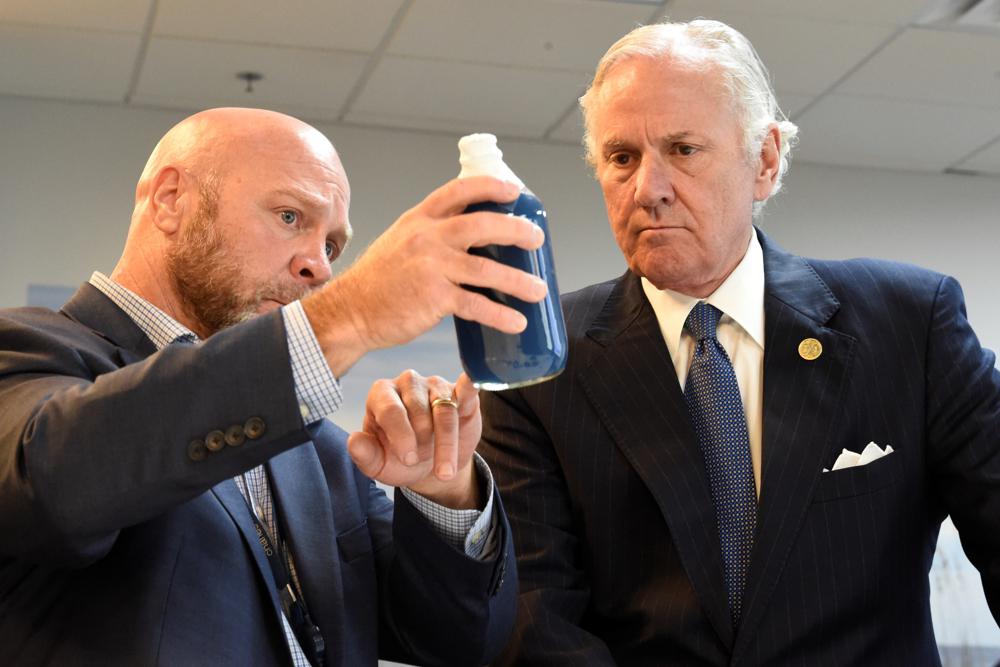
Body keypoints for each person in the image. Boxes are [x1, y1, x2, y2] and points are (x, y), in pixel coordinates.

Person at [478, 19, 1000, 666]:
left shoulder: (908, 325)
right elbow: (536, 617)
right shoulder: (540, 361)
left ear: (766, 160)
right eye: (622, 158)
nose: (648, 189)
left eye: (683, 149)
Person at [0, 107, 544, 666]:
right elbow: (54, 485)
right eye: (290, 216)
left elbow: (460, 643)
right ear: (170, 199)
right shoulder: (24, 351)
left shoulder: (324, 451)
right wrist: (349, 315)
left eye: (332, 246)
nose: (320, 268)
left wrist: (442, 491)